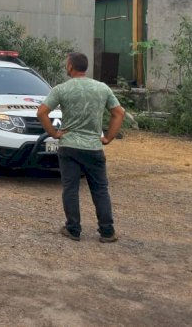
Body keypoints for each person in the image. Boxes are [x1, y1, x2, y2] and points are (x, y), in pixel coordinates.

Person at [37, 52, 125, 243]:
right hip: (93, 147)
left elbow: (42, 112)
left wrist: (54, 133)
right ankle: (107, 231)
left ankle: (73, 229)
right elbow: (119, 113)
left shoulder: (62, 89)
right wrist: (108, 137)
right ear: (85, 67)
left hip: (69, 146)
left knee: (70, 189)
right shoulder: (102, 88)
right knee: (100, 189)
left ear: (70, 66)